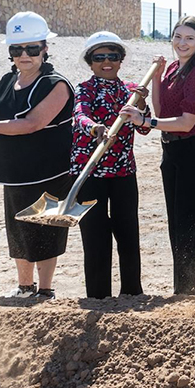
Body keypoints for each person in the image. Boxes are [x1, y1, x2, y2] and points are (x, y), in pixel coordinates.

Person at [121, 16, 195, 296]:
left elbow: (186, 122)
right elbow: (162, 109)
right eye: (177, 36)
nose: (181, 43)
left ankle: (194, 294)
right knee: (177, 227)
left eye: (189, 38)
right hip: (172, 150)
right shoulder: (175, 68)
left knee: (190, 228)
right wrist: (156, 77)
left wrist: (145, 122)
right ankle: (185, 292)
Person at [0, 12, 74, 299]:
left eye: (32, 49)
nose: (24, 55)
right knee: (18, 228)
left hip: (49, 170)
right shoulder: (9, 79)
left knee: (46, 229)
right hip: (14, 170)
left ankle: (45, 290)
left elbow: (32, 123)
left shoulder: (56, 84)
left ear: (45, 48)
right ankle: (24, 287)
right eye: (17, 49)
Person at [71, 31, 151, 298]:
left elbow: (144, 128)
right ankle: (98, 296)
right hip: (89, 173)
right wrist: (95, 128)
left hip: (123, 172)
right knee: (95, 236)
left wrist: (141, 106)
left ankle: (132, 292)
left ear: (120, 60)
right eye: (99, 57)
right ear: (90, 62)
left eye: (113, 56)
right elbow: (80, 115)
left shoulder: (131, 91)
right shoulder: (84, 88)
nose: (107, 62)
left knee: (128, 232)